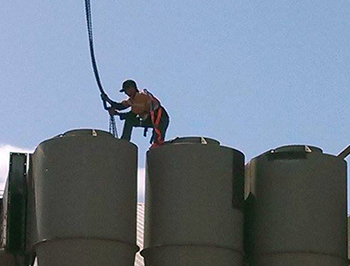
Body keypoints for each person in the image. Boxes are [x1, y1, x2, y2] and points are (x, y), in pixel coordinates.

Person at [101, 80, 169, 147]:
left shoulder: (140, 97)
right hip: (151, 118)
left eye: (126, 90)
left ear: (132, 88)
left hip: (160, 119)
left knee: (158, 142)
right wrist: (108, 100)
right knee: (129, 121)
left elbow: (131, 115)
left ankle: (125, 140)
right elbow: (120, 106)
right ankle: (124, 140)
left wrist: (117, 113)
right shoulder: (133, 99)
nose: (125, 93)